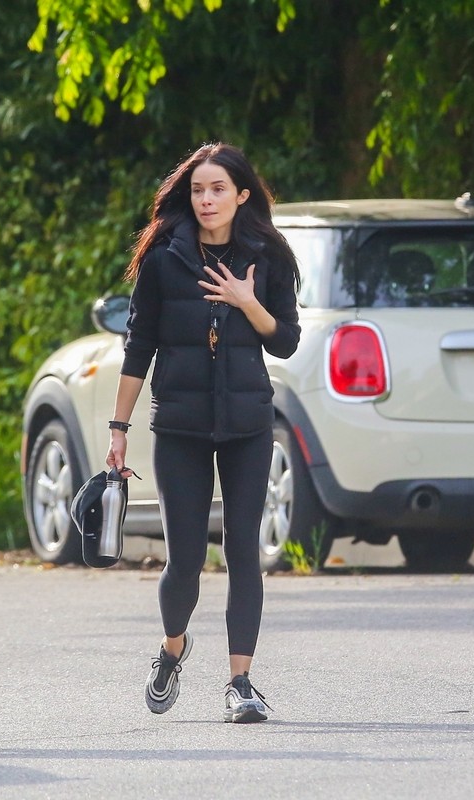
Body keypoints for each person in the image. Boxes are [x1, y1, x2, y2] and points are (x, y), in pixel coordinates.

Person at [105, 142, 301, 723]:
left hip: (247, 424)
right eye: (198, 190)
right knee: (184, 558)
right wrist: (119, 428)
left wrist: (248, 302)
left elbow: (285, 339)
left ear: (242, 195)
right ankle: (173, 648)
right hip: (182, 427)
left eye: (218, 189)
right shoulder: (165, 259)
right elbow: (138, 346)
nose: (207, 199)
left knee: (244, 550)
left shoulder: (267, 258)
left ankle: (241, 683)